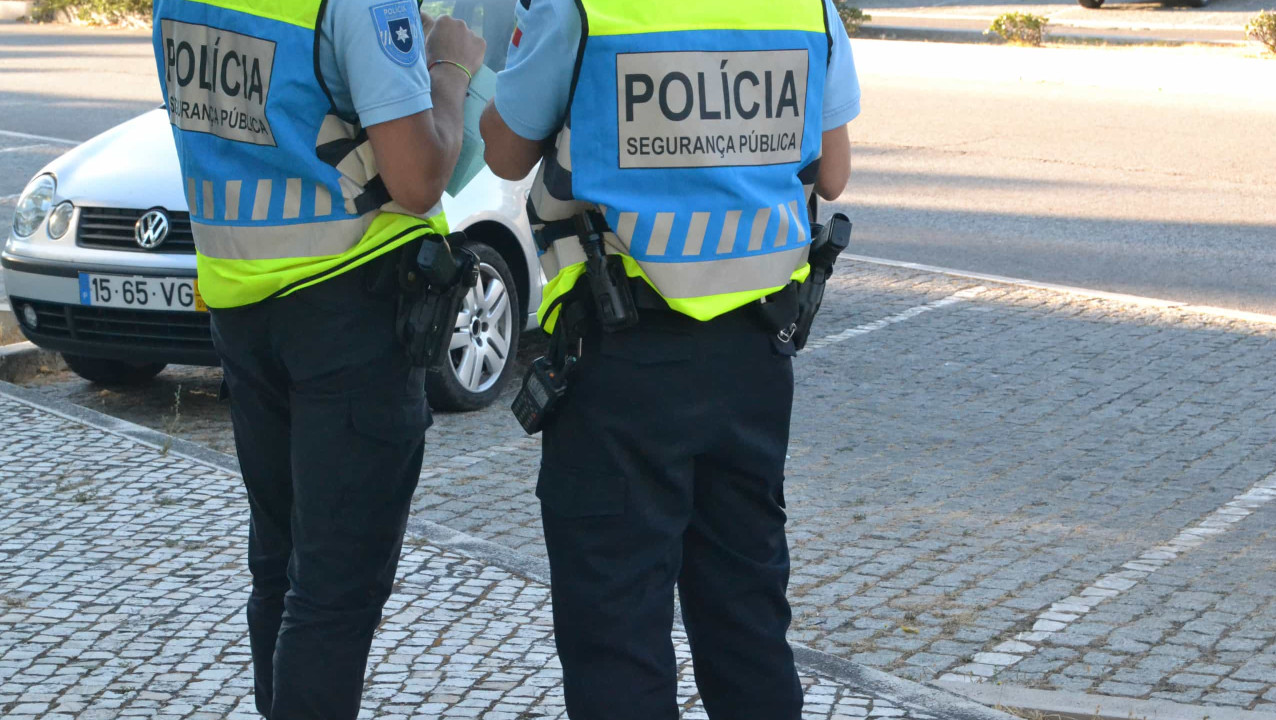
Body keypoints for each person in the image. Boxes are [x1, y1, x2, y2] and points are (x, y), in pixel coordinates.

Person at [480, 0, 859, 717]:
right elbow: (832, 173)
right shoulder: (808, 8)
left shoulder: (582, 8)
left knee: (617, 636)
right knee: (747, 628)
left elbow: (503, 152)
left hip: (619, 363)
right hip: (752, 361)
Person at [150, 2, 484, 717]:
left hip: (241, 300)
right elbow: (418, 177)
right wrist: (450, 70)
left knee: (280, 569)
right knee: (335, 592)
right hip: (348, 310)